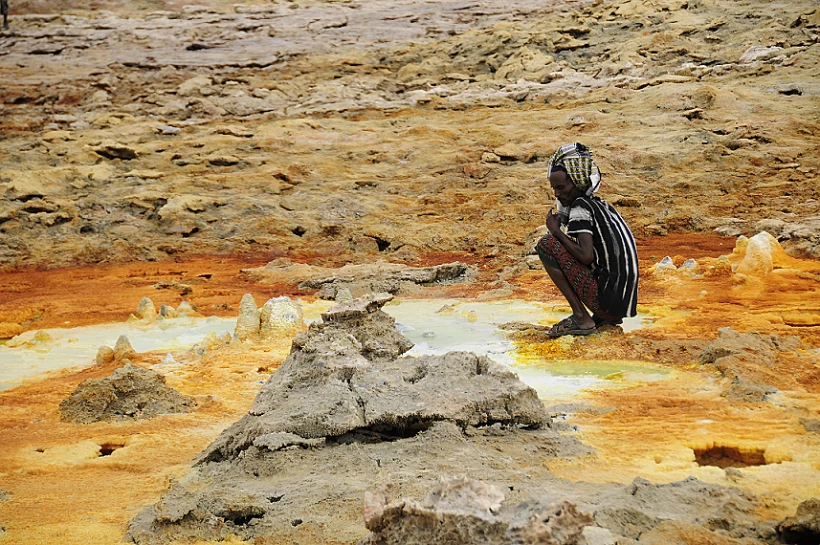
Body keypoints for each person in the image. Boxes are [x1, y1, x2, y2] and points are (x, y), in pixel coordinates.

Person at [535, 142, 638, 337]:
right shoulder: (602, 206)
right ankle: (604, 317)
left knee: (547, 245)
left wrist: (556, 232)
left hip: (608, 302)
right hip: (622, 303)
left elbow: (586, 256)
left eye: (561, 187)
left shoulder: (580, 207)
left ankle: (581, 317)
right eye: (554, 188)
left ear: (576, 181)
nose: (557, 193)